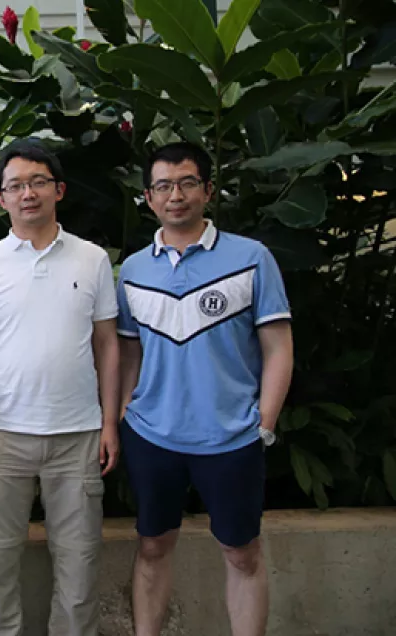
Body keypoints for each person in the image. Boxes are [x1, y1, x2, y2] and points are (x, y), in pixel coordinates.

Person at [117, 142, 294, 636]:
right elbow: (128, 353)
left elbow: (279, 348)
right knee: (152, 546)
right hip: (153, 436)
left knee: (241, 553)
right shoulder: (133, 270)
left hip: (233, 437)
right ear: (149, 197)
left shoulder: (251, 258)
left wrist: (264, 424)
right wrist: (128, 412)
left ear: (209, 190)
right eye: (164, 186)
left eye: (188, 182)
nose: (176, 195)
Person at [0, 140, 120, 636]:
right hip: (1, 436)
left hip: (78, 436)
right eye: (15, 185)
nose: (28, 193)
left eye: (38, 182)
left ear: (59, 190)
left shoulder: (92, 260)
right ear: (1, 199)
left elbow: (107, 346)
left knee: (78, 565)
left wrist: (109, 423)